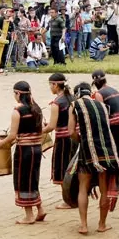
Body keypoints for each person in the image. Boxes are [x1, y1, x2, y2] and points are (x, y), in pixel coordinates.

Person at [0, 81, 46, 224]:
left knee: (22, 180)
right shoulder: (37, 108)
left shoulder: (18, 111)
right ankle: (40, 209)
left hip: (24, 151)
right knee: (33, 179)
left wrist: (1, 143)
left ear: (18, 94)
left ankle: (29, 216)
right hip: (37, 149)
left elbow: (13, 135)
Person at [69, 82, 119, 235]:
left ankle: (84, 225)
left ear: (77, 94)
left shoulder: (75, 105)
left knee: (83, 187)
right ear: (90, 92)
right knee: (104, 188)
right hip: (106, 151)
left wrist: (82, 140)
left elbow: (71, 131)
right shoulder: (102, 105)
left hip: (88, 151)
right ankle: (102, 224)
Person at [92, 70, 119, 192]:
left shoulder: (99, 94)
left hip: (113, 128)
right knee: (118, 155)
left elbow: (101, 115)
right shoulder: (114, 90)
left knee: (111, 155)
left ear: (94, 81)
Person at [42, 73, 75, 208]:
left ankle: (68, 200)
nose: (50, 87)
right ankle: (75, 195)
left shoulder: (57, 103)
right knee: (73, 166)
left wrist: (40, 130)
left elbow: (51, 126)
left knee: (62, 168)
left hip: (63, 139)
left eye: (50, 84)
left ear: (55, 85)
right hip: (75, 138)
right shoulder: (73, 98)